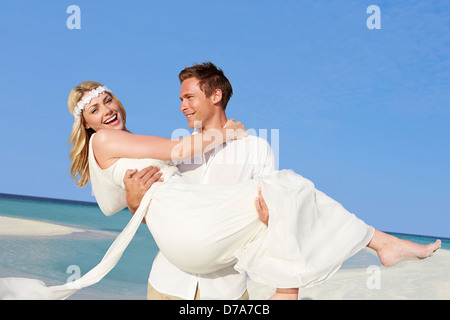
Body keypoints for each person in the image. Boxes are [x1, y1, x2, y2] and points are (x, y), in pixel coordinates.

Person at [0, 73, 441, 301]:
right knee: (292, 187)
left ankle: (376, 246)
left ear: (215, 95)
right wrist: (220, 136)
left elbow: (115, 204)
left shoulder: (253, 150)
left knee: (286, 195)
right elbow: (151, 186)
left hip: (223, 284)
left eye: (107, 100)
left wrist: (272, 220)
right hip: (174, 272)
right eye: (93, 110)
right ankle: (382, 244)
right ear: (88, 123)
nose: (105, 110)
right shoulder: (144, 144)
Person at [123, 62, 278, 300]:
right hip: (166, 284)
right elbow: (156, 219)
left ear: (216, 95)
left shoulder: (257, 150)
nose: (182, 107)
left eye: (189, 98)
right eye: (181, 100)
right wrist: (134, 204)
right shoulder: (176, 152)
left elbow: (269, 220)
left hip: (226, 291)